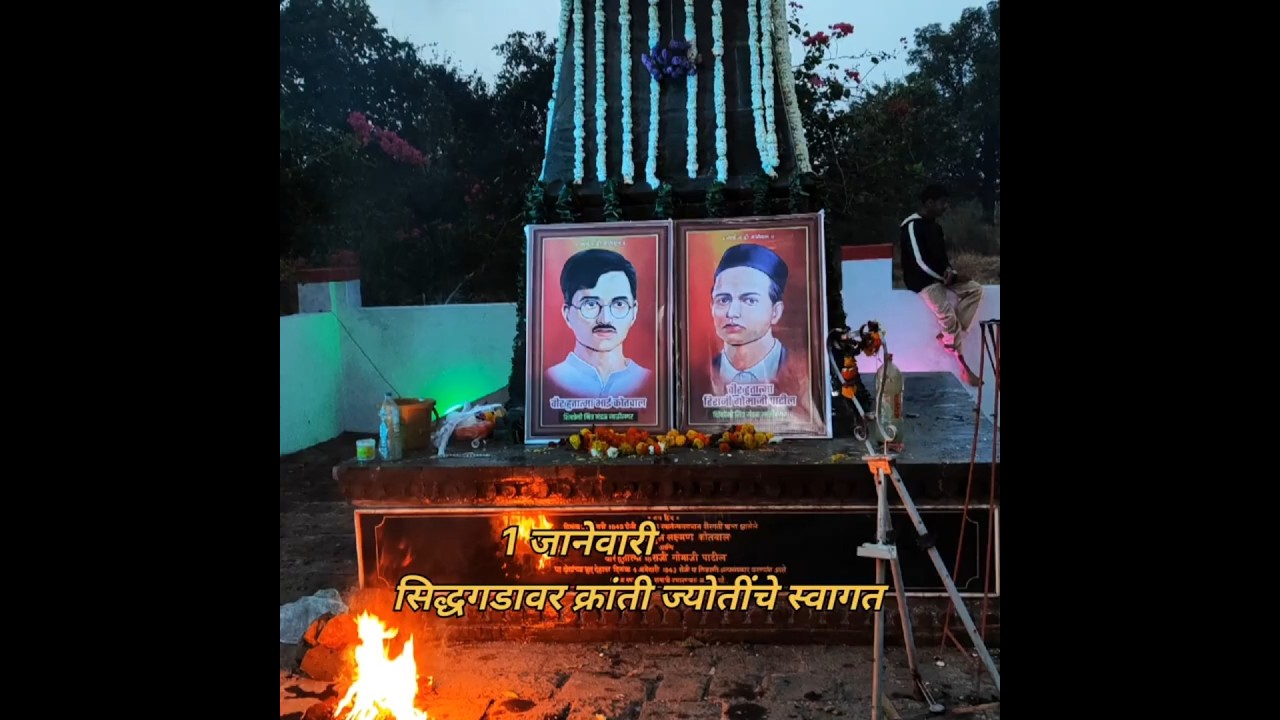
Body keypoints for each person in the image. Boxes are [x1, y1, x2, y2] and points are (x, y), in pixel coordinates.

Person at [899, 184, 984, 386]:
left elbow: (941, 258)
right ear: (929, 203)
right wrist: (947, 277)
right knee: (946, 315)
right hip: (922, 281)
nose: (946, 207)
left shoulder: (935, 227)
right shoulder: (912, 226)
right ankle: (963, 367)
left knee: (975, 290)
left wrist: (951, 272)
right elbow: (920, 261)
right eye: (942, 203)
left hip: (940, 278)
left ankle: (948, 336)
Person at [545, 248, 653, 398]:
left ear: (634, 312)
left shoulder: (650, 382)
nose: (605, 319)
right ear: (567, 314)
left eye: (619, 304)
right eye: (590, 304)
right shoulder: (548, 381)